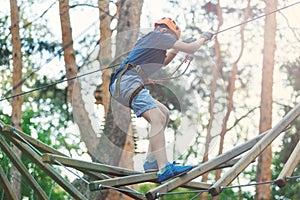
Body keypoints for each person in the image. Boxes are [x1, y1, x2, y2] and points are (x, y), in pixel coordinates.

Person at [109, 17, 213, 183]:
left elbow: (164, 61)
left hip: (126, 83)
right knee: (157, 117)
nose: (172, 42)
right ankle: (164, 167)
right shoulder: (158, 36)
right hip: (127, 81)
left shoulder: (155, 41)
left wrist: (178, 48)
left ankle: (151, 161)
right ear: (165, 31)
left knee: (164, 112)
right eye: (173, 39)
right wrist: (204, 38)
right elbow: (192, 48)